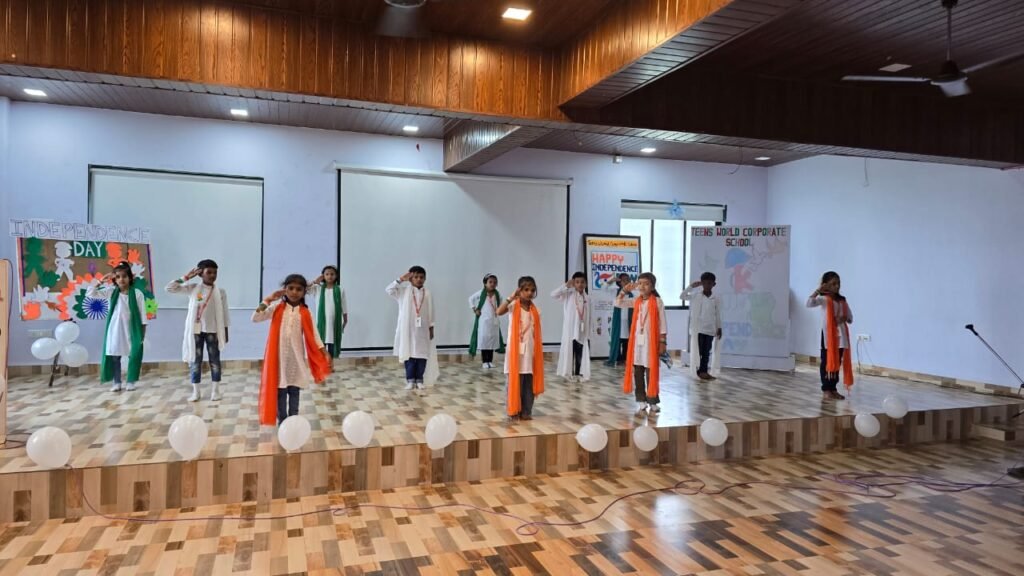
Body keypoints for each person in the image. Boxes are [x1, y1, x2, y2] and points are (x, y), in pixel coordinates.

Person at [252, 274, 330, 426]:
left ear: (304, 292)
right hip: (279, 359)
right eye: (291, 288)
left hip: (295, 360)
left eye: (299, 289)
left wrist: (324, 351)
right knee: (280, 391)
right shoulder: (276, 308)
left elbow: (314, 334)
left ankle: (293, 421)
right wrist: (268, 299)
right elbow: (255, 317)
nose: (294, 292)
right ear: (285, 289)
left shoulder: (305, 312)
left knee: (294, 390)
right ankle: (283, 422)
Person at [166, 259, 229, 402]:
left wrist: (225, 331)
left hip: (213, 331)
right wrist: (186, 277)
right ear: (200, 274)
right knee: (195, 360)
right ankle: (196, 392)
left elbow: (225, 313)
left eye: (215, 272)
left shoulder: (220, 292)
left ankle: (215, 391)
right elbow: (170, 288)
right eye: (209, 272)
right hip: (195, 332)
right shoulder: (193, 288)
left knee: (215, 361)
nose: (212, 275)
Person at [88, 261, 148, 392]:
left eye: (124, 276)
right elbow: (91, 294)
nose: (121, 279)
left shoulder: (137, 294)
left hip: (132, 329)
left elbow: (143, 315)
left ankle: (131, 381)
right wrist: (100, 281)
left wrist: (143, 333)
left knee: (133, 354)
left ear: (130, 278)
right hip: (115, 329)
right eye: (118, 277)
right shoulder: (111, 292)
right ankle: (117, 382)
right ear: (114, 279)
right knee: (115, 356)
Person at [616, 273, 667, 414]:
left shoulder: (657, 302)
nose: (642, 286)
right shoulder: (636, 301)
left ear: (653, 286)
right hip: (637, 343)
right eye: (640, 283)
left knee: (651, 372)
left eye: (646, 284)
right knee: (638, 371)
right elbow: (618, 303)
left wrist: (663, 341)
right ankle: (641, 400)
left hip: (651, 342)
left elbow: (663, 323)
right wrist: (624, 291)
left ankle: (653, 400)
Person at [496, 276, 544, 421]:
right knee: (514, 382)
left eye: (532, 290)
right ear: (519, 290)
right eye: (526, 290)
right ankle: (513, 410)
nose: (529, 293)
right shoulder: (513, 306)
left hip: (529, 353)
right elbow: (499, 311)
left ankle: (526, 411)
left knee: (528, 384)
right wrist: (511, 297)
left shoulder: (535, 311)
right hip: (514, 353)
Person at [386, 266, 438, 390]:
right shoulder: (403, 292)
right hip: (408, 330)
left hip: (422, 330)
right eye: (415, 277)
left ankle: (419, 379)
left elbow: (431, 311)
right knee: (409, 354)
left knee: (422, 355)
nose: (419, 279)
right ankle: (410, 380)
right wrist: (400, 279)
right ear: (410, 279)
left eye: (421, 277)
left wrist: (431, 327)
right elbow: (389, 290)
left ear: (425, 279)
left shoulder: (427, 293)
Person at [807, 271, 854, 400]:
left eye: (838, 283)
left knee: (836, 363)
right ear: (826, 284)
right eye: (833, 283)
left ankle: (833, 388)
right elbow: (809, 303)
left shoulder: (842, 300)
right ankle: (826, 389)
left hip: (841, 337)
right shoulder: (824, 299)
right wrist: (818, 290)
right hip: (828, 336)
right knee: (827, 362)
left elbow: (850, 318)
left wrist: (844, 318)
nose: (837, 286)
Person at [552, 272, 591, 385]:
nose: (580, 284)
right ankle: (568, 372)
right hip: (570, 329)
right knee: (570, 350)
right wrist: (565, 286)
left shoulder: (587, 298)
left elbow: (589, 315)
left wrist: (588, 330)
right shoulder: (568, 294)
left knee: (580, 351)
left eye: (582, 282)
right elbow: (553, 295)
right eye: (577, 282)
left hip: (581, 330)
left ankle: (577, 373)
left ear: (586, 283)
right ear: (573, 283)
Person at [682, 272, 722, 381]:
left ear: (714, 284)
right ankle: (697, 370)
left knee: (706, 352)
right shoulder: (696, 295)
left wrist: (719, 327)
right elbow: (682, 296)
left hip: (710, 329)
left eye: (710, 283)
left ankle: (703, 371)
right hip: (698, 329)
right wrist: (691, 287)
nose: (707, 285)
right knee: (698, 350)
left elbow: (718, 314)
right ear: (702, 283)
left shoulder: (716, 298)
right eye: (704, 283)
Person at [308, 265, 348, 360]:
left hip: (334, 323)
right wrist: (315, 281)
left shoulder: (340, 289)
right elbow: (305, 289)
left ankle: (330, 364)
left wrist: (345, 319)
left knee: (332, 345)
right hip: (321, 323)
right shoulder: (317, 288)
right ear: (323, 276)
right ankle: (322, 364)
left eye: (332, 274)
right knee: (321, 344)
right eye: (327, 274)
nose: (330, 276)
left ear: (336, 276)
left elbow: (344, 305)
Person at [468, 274, 505, 369]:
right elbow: (470, 299)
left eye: (495, 282)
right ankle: (484, 361)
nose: (493, 284)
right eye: (490, 282)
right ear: (485, 283)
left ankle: (490, 361)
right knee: (484, 341)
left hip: (493, 321)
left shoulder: (497, 294)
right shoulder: (481, 293)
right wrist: (475, 309)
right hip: (483, 321)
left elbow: (501, 304)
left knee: (491, 341)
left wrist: (499, 310)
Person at [605, 272, 633, 367]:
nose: (626, 282)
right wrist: (611, 280)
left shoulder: (634, 294)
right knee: (617, 341)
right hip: (618, 322)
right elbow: (604, 288)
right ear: (620, 283)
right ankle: (617, 358)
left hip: (629, 323)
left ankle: (625, 359)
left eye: (628, 280)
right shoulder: (615, 292)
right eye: (624, 280)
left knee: (627, 342)